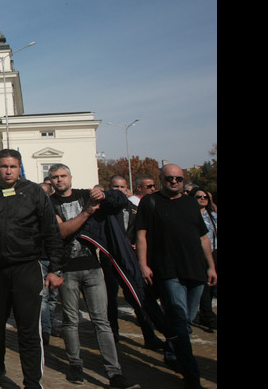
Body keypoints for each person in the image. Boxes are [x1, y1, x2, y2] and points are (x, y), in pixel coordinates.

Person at [0, 149, 63, 389]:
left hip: (26, 268)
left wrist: (55, 269)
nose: (8, 171)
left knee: (29, 328)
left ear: (19, 167)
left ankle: (32, 381)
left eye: (13, 166)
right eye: (4, 166)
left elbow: (51, 231)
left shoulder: (34, 192)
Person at [48, 165, 139, 388]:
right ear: (50, 181)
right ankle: (75, 364)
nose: (59, 180)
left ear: (70, 177)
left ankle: (114, 372)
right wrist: (87, 212)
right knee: (71, 321)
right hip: (66, 269)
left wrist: (104, 194)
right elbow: (62, 232)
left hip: (93, 266)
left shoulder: (84, 195)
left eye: (63, 176)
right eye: (55, 178)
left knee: (102, 321)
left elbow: (120, 200)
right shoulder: (48, 204)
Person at [135, 164, 217, 389]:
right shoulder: (150, 202)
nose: (174, 182)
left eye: (178, 179)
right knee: (180, 323)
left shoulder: (191, 203)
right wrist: (143, 264)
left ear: (183, 180)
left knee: (185, 324)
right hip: (168, 271)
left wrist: (211, 267)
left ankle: (173, 353)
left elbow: (203, 238)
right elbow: (141, 235)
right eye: (169, 178)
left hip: (196, 271)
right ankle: (191, 375)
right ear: (161, 179)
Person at [192, 189, 217, 330]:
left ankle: (207, 313)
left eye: (205, 197)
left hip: (213, 253)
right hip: (195, 255)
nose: (203, 199)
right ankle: (206, 315)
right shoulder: (189, 215)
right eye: (199, 196)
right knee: (203, 286)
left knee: (210, 286)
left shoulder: (212, 216)